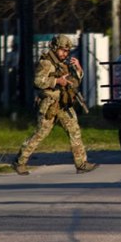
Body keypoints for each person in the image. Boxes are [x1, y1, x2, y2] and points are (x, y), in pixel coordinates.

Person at [12, 34, 98, 175]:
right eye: (63, 50)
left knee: (74, 131)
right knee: (40, 134)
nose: (65, 54)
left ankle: (81, 163)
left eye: (67, 51)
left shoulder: (63, 63)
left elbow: (74, 82)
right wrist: (56, 81)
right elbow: (38, 81)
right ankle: (19, 162)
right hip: (50, 104)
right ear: (55, 48)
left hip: (63, 104)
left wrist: (78, 69)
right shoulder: (46, 63)